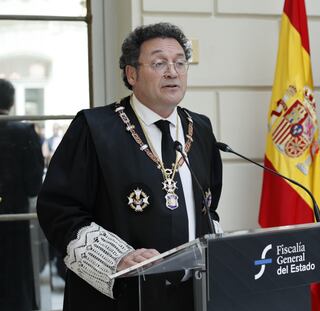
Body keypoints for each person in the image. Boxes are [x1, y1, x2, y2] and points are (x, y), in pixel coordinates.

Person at [37, 22, 222, 310]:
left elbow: (209, 206)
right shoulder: (94, 128)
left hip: (191, 295)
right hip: (117, 297)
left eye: (180, 63)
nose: (173, 72)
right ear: (132, 74)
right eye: (159, 63)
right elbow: (59, 211)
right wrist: (118, 259)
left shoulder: (199, 128)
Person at [0, 79, 44, 310]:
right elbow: (34, 185)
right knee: (16, 282)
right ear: (11, 101)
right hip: (15, 219)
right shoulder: (23, 132)